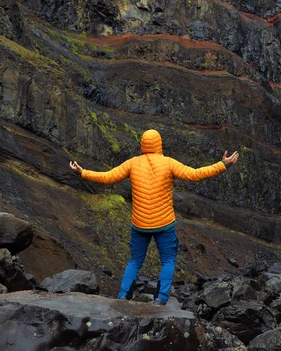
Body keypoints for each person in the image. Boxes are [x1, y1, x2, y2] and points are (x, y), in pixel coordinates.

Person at [69, 129, 239, 305]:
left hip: (139, 224)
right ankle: (161, 299)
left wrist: (83, 172)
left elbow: (107, 177)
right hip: (164, 224)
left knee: (135, 261)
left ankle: (123, 296)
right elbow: (195, 174)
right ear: (159, 144)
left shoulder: (132, 164)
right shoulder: (168, 163)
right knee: (167, 261)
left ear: (143, 144)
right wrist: (222, 165)